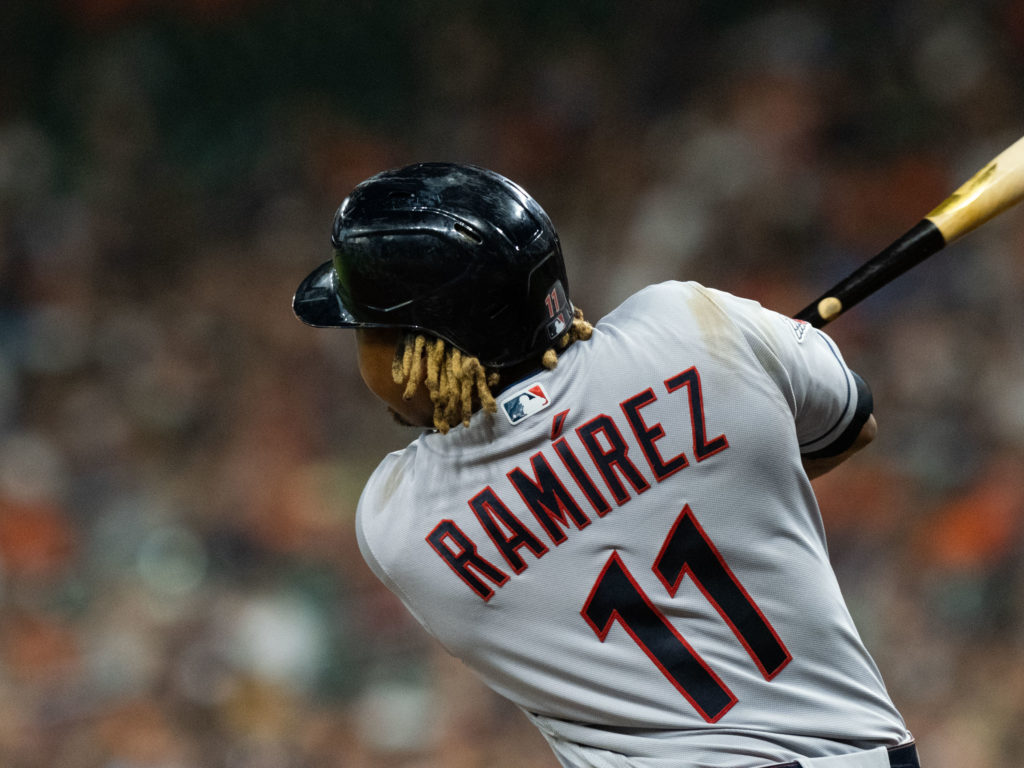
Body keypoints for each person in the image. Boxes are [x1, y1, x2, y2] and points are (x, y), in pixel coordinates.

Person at [293, 162, 920, 768]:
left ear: (424, 349)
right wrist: (709, 440)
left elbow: (586, 513)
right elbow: (851, 421)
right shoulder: (692, 328)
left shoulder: (401, 521)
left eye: (366, 331)